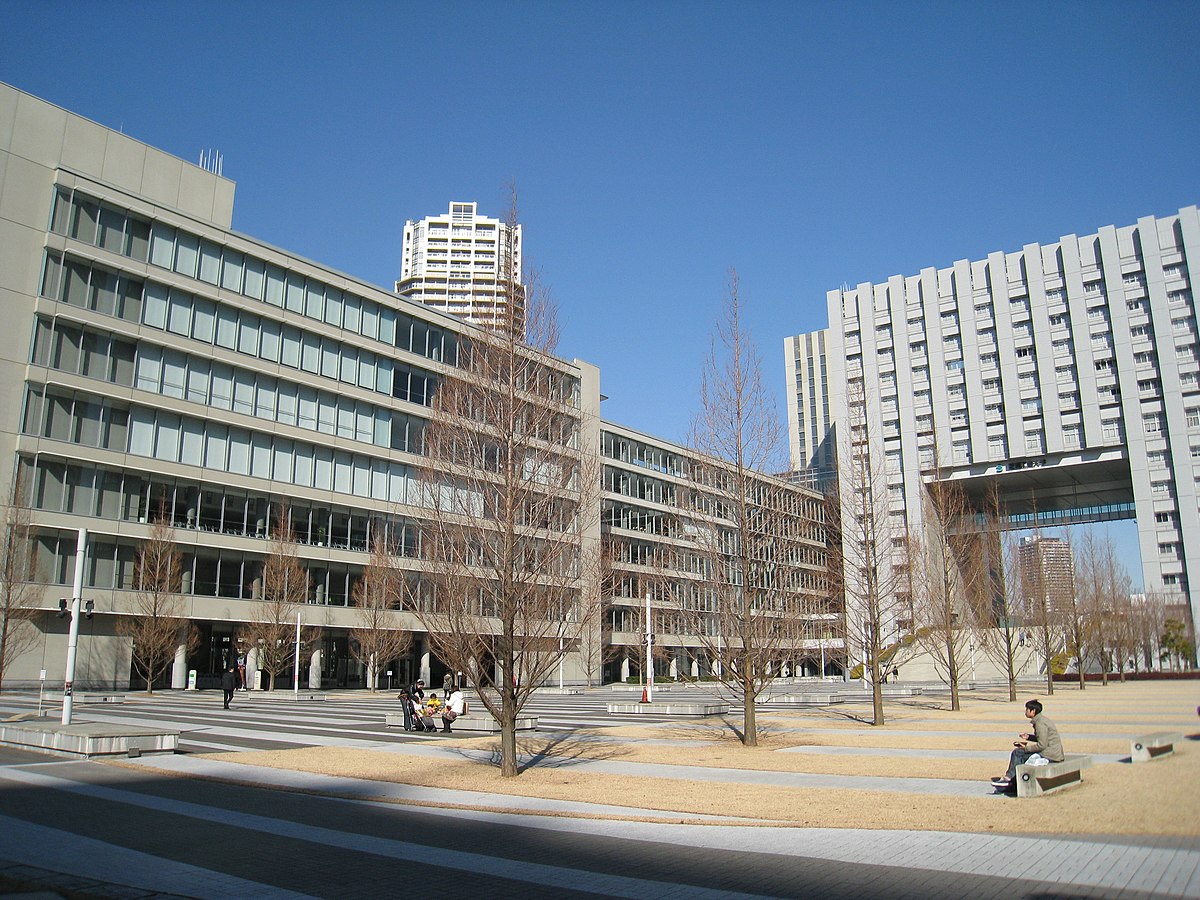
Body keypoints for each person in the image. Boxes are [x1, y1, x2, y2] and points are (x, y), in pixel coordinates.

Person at [991, 699, 1064, 792]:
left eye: (1027, 709)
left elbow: (1042, 745)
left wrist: (1025, 749)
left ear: (1033, 711)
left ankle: (1009, 779)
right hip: (1053, 751)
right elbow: (1043, 738)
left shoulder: (1040, 723)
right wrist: (1029, 737)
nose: (1025, 712)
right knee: (1020, 754)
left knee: (1017, 753)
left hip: (1050, 754)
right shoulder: (1041, 720)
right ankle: (1013, 781)